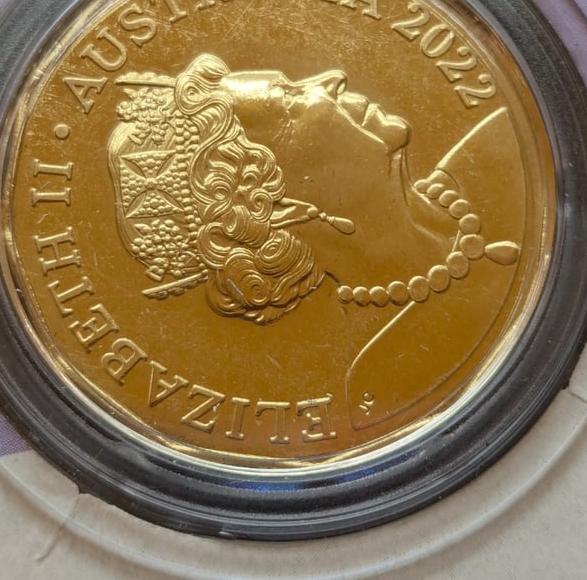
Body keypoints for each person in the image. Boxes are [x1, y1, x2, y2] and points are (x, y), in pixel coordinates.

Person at [107, 55, 524, 427]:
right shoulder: (389, 382)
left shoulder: (500, 146)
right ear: (280, 207)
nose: (332, 79)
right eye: (289, 99)